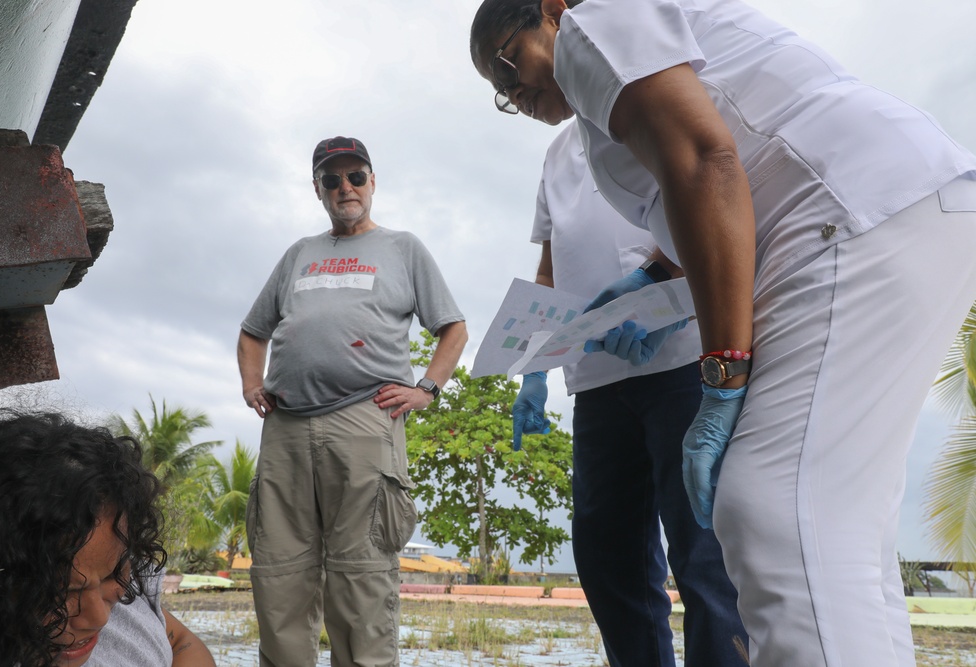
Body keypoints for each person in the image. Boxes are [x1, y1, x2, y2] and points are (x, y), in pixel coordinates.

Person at [469, 1, 976, 665]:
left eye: (508, 62)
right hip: (893, 207)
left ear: (550, 10)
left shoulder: (588, 26)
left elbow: (709, 163)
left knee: (768, 511)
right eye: (499, 92)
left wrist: (723, 373)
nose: (513, 92)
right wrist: (651, 277)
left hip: (848, 214)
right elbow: (705, 181)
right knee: (836, 535)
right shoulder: (593, 118)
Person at [511, 121, 747, 666]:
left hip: (683, 363)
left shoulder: (647, 111)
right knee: (607, 559)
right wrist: (536, 370)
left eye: (511, 68)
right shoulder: (556, 153)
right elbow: (550, 271)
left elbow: (715, 203)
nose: (513, 92)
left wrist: (662, 292)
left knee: (703, 557)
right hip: (595, 383)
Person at [238, 135, 468, 667]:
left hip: (366, 419)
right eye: (332, 179)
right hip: (286, 427)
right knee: (278, 573)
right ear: (317, 189)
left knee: (361, 576)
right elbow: (253, 332)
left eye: (355, 176)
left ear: (372, 182)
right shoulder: (299, 253)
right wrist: (252, 383)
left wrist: (427, 389)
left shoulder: (403, 248)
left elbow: (452, 328)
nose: (346, 187)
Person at [0, 410, 214, 667]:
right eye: (62, 591)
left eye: (114, 573)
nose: (99, 617)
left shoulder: (124, 586)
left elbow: (181, 642)